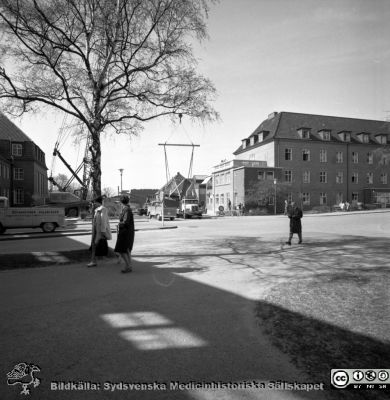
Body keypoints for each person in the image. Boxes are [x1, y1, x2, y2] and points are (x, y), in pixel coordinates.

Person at [87, 195, 112, 267]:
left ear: (98, 202)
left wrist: (103, 232)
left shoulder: (103, 209)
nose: (93, 204)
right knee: (95, 245)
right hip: (96, 231)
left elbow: (103, 221)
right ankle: (94, 261)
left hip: (100, 232)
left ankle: (93, 261)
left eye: (94, 202)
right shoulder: (96, 209)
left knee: (95, 245)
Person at [114, 195, 135, 273]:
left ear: (121, 202)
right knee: (126, 250)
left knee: (121, 250)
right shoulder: (126, 209)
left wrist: (119, 224)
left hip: (125, 233)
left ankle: (128, 265)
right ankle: (129, 266)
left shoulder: (127, 210)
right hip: (126, 232)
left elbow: (126, 222)